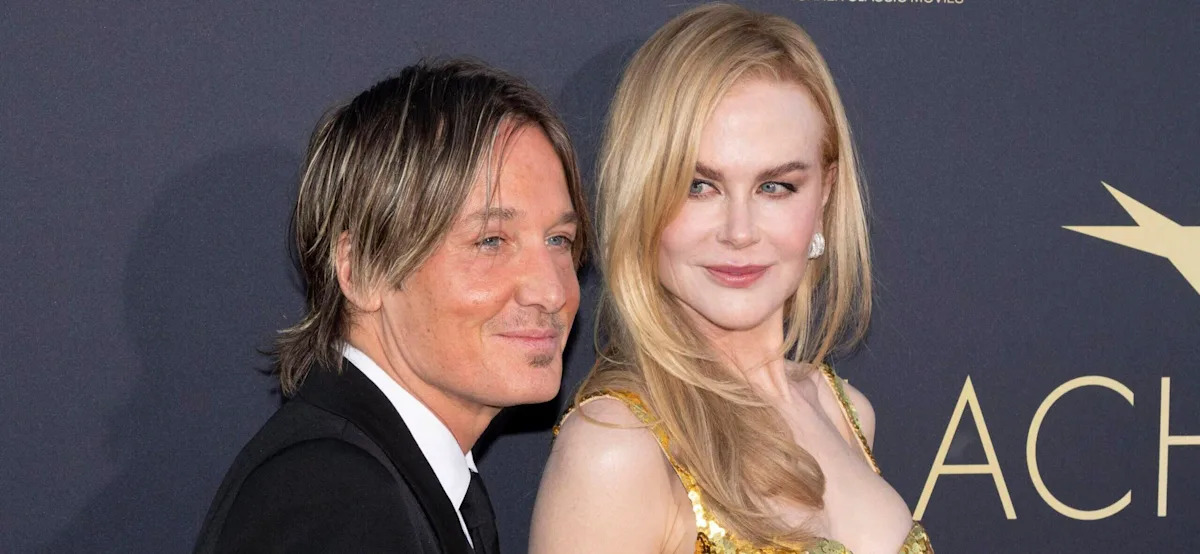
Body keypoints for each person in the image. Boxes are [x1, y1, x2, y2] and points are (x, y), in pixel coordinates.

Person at [530, 4, 932, 553]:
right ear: (641, 195)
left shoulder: (844, 410)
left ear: (825, 194)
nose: (739, 232)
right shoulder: (616, 449)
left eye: (775, 187)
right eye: (699, 186)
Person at [194, 59, 590, 554]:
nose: (551, 291)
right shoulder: (336, 501)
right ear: (361, 269)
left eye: (558, 239)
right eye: (491, 241)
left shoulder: (399, 479)